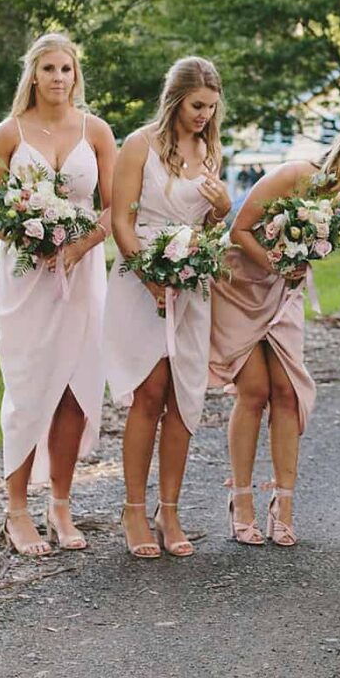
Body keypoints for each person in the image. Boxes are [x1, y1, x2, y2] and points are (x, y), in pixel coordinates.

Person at [210, 122, 340, 547]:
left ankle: (285, 504)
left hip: (285, 296)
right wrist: (275, 261)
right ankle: (241, 500)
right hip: (239, 286)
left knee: (288, 392)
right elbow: (238, 229)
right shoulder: (295, 175)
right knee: (254, 390)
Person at [0, 33, 117, 557]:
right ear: (32, 76)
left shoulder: (98, 131)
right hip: (24, 277)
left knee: (76, 390)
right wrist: (25, 237)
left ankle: (60, 502)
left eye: (67, 69)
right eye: (49, 69)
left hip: (82, 276)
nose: (59, 78)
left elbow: (114, 207)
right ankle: (16, 509)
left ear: (75, 75)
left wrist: (81, 245)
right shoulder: (8, 133)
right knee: (28, 388)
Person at [103, 57, 233, 559]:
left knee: (184, 396)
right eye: (197, 105)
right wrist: (148, 275)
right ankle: (133, 509)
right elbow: (120, 220)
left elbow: (211, 227)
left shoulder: (210, 150)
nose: (203, 115)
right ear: (176, 98)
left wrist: (222, 208)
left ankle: (170, 509)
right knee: (150, 391)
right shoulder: (139, 146)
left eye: (211, 107)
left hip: (192, 281)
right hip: (143, 275)